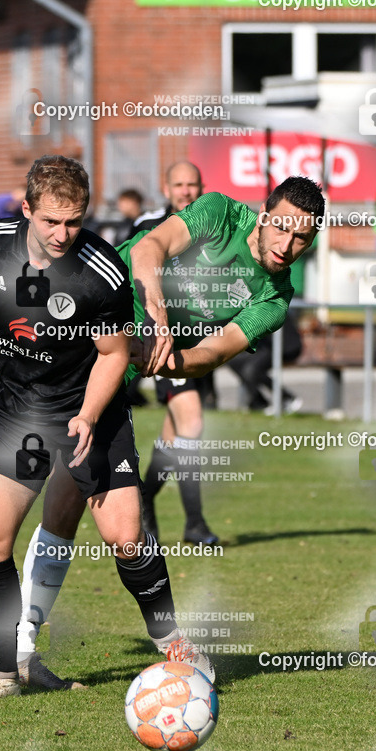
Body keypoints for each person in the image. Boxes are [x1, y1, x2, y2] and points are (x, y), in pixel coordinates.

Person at [0, 100, 322, 687]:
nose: (287, 244)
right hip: (71, 308)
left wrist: (155, 355)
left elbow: (213, 353)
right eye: (282, 227)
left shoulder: (274, 298)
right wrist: (156, 315)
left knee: (80, 517)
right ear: (264, 214)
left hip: (103, 369)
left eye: (302, 238)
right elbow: (148, 249)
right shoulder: (219, 215)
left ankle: (30, 651)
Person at [128, 162, 220, 544]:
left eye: (192, 184)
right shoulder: (150, 227)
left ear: (202, 187)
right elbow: (133, 274)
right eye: (178, 184)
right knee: (192, 424)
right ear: (166, 189)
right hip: (167, 343)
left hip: (203, 345)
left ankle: (145, 497)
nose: (185, 190)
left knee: (174, 435)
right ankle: (195, 524)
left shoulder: (213, 229)